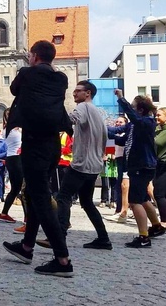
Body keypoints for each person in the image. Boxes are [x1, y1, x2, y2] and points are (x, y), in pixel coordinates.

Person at [1, 40, 73, 277]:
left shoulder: (26, 74)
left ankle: (62, 260)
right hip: (53, 144)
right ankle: (26, 247)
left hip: (34, 143)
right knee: (33, 194)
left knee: (41, 198)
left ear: (34, 56)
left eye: (30, 55)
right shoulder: (61, 79)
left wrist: (27, 71)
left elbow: (13, 90)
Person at [38, 81, 111, 250]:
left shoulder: (83, 107)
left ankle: (58, 237)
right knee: (87, 202)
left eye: (78, 91)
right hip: (94, 165)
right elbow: (103, 137)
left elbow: (70, 120)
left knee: (63, 198)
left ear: (88, 93)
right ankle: (103, 238)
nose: (74, 93)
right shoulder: (98, 113)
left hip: (81, 164)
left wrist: (55, 110)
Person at [109, 89, 163, 248]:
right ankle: (157, 226)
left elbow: (131, 116)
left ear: (140, 110)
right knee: (143, 198)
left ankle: (143, 237)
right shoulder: (136, 124)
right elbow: (122, 140)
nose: (130, 110)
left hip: (142, 165)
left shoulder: (146, 122)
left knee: (135, 201)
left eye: (133, 107)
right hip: (139, 165)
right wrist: (102, 131)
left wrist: (121, 98)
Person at [0, 109, 24, 224]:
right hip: (15, 158)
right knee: (22, 188)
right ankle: (27, 217)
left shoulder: (8, 129)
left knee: (16, 189)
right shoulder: (12, 130)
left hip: (12, 158)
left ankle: (4, 213)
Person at [106, 116, 130, 223]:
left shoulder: (126, 133)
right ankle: (118, 209)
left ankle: (121, 209)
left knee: (122, 186)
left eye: (120, 122)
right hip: (115, 160)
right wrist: (109, 154)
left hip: (125, 160)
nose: (118, 123)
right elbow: (109, 148)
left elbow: (121, 142)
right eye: (117, 122)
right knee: (117, 185)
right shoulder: (114, 135)